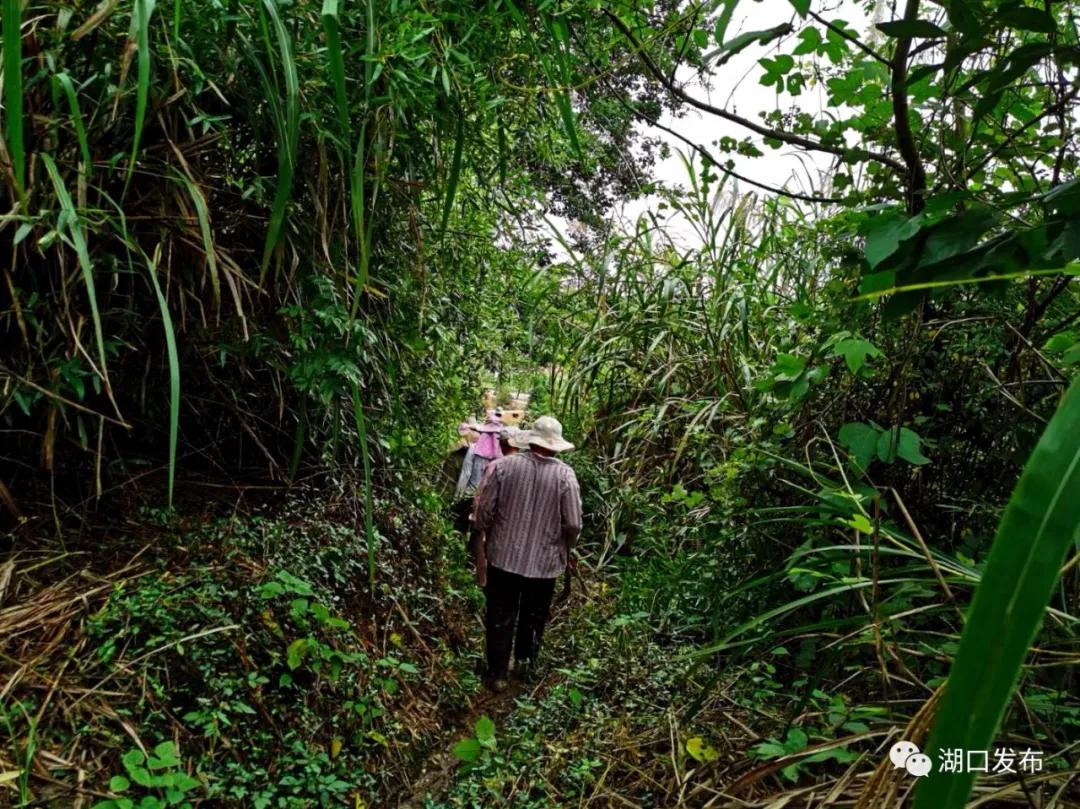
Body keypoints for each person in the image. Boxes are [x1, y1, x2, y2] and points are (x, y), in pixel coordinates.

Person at [471, 416, 582, 692]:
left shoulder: (503, 467)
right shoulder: (565, 475)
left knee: (500, 614)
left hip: (503, 558)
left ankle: (497, 673)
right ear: (555, 446)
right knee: (534, 614)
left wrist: (483, 534)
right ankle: (524, 664)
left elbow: (484, 511)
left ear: (531, 440)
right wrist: (567, 547)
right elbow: (573, 523)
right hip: (544, 564)